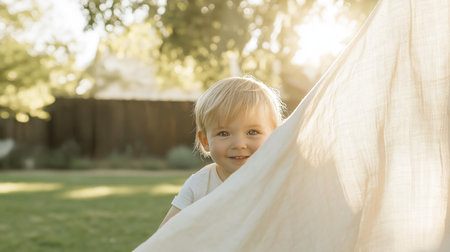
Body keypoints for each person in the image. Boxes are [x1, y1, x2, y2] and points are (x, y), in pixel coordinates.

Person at [158, 76, 285, 228]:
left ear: (275, 135)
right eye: (223, 133)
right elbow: (164, 235)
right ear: (205, 141)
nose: (239, 145)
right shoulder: (200, 185)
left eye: (252, 132)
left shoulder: (279, 181)